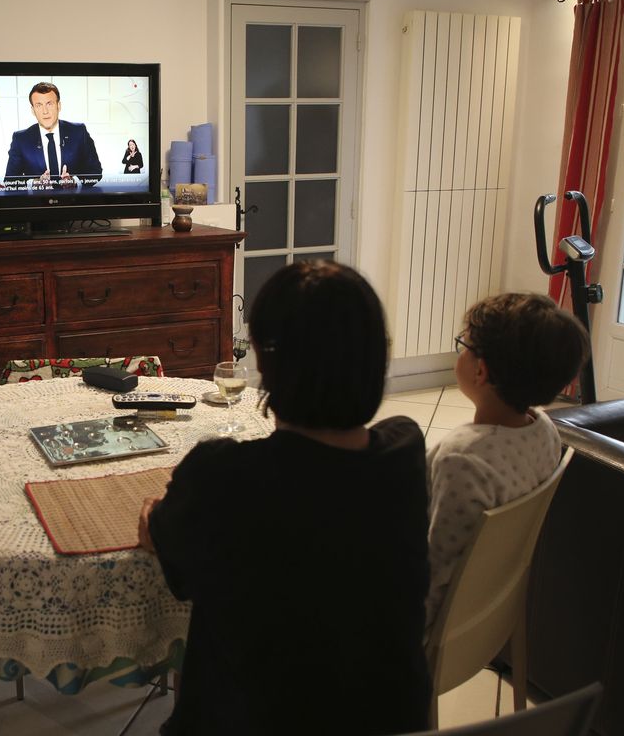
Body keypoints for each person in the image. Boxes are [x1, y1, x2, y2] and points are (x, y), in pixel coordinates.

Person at [138, 260, 432, 735]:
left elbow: (163, 539)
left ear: (267, 364)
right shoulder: (406, 451)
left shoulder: (222, 475)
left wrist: (155, 511)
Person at [424, 293, 589, 628]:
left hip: (431, 625)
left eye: (463, 345)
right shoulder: (544, 430)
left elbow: (434, 575)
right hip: (488, 605)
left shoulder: (462, 458)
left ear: (480, 370)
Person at [4, 81, 102, 189]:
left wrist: (75, 181)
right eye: (39, 105)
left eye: (49, 104)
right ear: (33, 110)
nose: (45, 111)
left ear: (58, 106)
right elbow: (10, 181)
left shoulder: (79, 132)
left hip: (73, 198)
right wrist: (34, 183)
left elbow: (96, 172)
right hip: (37, 200)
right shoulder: (21, 139)